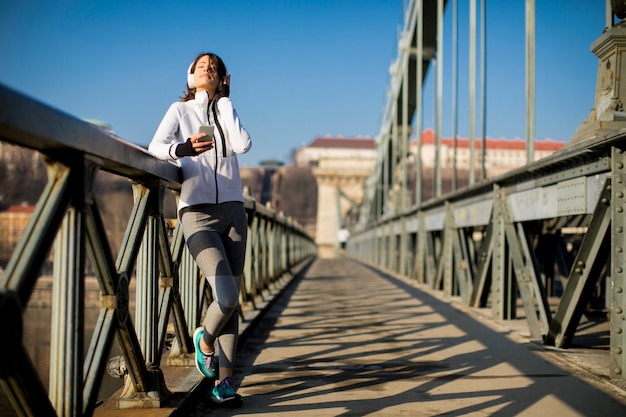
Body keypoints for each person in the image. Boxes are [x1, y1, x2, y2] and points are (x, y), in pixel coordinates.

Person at [148, 52, 252, 404]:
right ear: (190, 75)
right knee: (224, 295)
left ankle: (225, 383)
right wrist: (184, 148)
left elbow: (243, 145)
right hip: (197, 214)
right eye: (202, 66)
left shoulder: (224, 109)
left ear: (223, 77)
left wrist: (225, 103)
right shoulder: (180, 112)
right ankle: (204, 342)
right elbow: (155, 147)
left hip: (234, 213)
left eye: (215, 67)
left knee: (232, 302)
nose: (209, 69)